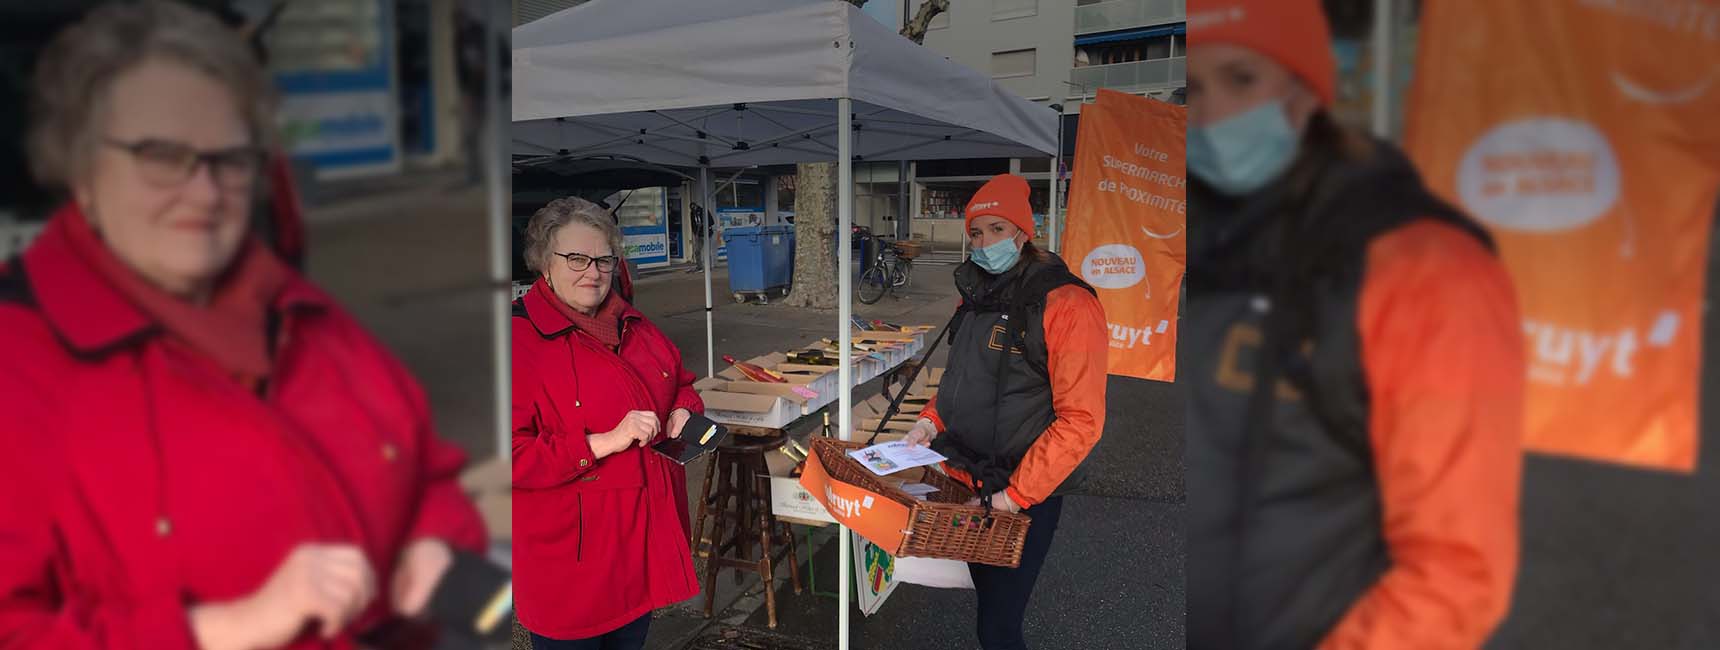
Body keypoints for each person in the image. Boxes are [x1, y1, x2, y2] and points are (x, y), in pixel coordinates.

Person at [0, 3, 487, 648]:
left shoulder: (304, 314)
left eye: (228, 160)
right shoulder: (19, 364)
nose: (204, 193)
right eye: (161, 155)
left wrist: (434, 543)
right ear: (83, 170)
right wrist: (223, 628)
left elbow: (424, 465)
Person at [1183, 1, 1524, 649]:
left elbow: (1455, 568)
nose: (1213, 114)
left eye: (1242, 79)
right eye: (1195, 88)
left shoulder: (1428, 268)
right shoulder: (1211, 236)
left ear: (1307, 91)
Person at [902, 173, 1110, 650]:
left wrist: (1014, 496)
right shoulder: (977, 295)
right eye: (976, 232)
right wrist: (929, 421)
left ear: (1024, 232)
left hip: (1020, 493)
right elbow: (962, 380)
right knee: (987, 612)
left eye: (997, 229)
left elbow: (1081, 420)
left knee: (998, 627)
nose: (984, 242)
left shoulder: (1069, 304)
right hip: (967, 477)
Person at [511, 197, 703, 649]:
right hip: (572, 567)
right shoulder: (518, 342)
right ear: (543, 262)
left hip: (640, 548)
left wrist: (683, 408)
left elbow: (680, 382)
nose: (593, 272)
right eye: (576, 258)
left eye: (603, 259)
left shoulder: (636, 325)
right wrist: (604, 441)